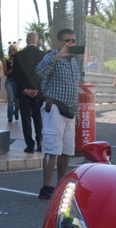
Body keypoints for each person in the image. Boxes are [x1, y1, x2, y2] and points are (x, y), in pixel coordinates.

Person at [35, 28, 81, 199]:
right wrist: (57, 57)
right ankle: (46, 186)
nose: (70, 44)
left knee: (67, 150)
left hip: (68, 109)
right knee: (52, 148)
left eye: (73, 41)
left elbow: (74, 89)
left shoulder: (74, 62)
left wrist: (76, 112)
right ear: (60, 42)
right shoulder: (52, 57)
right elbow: (39, 71)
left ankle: (61, 185)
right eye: (67, 40)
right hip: (53, 106)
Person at [12, 32, 44, 153]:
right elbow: (44, 75)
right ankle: (40, 142)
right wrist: (38, 90)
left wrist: (25, 89)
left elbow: (16, 75)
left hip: (23, 93)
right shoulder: (42, 55)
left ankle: (29, 145)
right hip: (38, 93)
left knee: (26, 119)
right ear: (37, 41)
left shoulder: (19, 55)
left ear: (26, 40)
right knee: (38, 118)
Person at [2, 44, 20, 122]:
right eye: (12, 51)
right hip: (9, 82)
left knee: (17, 101)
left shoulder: (19, 61)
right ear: (9, 52)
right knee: (11, 100)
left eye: (15, 51)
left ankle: (16, 112)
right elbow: (6, 73)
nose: (13, 53)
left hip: (17, 82)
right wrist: (13, 67)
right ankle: (10, 117)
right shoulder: (5, 61)